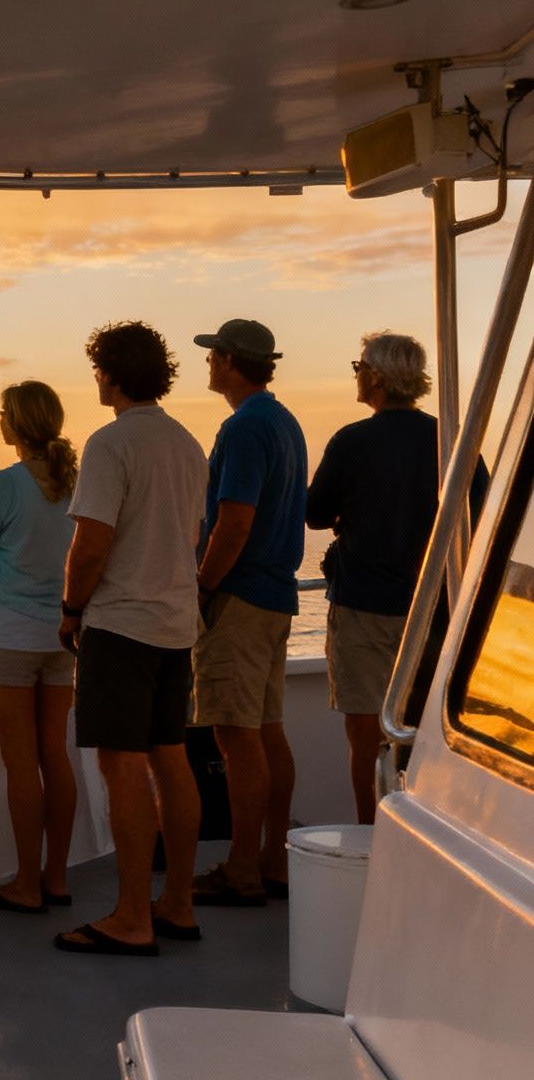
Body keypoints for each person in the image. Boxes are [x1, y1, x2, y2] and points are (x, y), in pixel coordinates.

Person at [55, 322, 207, 956]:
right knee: (171, 758)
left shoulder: (111, 444)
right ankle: (175, 902)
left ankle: (129, 918)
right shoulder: (187, 444)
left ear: (112, 374)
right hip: (177, 625)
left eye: (98, 370)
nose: (96, 380)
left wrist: (70, 610)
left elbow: (91, 543)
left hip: (121, 625)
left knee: (122, 769)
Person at [307, 332, 480, 823]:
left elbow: (315, 513)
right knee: (426, 729)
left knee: (365, 734)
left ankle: (372, 830)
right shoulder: (452, 439)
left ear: (377, 378)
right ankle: (432, 822)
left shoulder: (352, 441)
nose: (356, 375)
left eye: (359, 366)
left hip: (364, 605)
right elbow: (479, 512)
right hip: (434, 610)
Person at [189, 319, 308, 906]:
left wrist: (203, 587)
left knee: (234, 736)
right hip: (277, 597)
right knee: (266, 731)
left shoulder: (243, 429)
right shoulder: (285, 423)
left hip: (239, 597)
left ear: (231, 361)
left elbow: (234, 520)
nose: (208, 364)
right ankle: (273, 859)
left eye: (214, 356)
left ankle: (241, 869)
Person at [0, 381, 79, 914]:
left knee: (20, 762)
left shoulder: (2, 485)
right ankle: (56, 878)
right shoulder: (78, 484)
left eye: (1, 412)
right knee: (55, 755)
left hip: (11, 636)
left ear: (17, 422)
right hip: (64, 636)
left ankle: (26, 885)